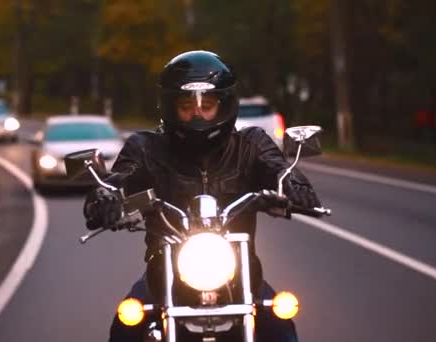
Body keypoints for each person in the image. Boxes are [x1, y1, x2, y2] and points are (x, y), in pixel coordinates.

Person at [83, 50, 322, 341]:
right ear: (170, 107)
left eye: (206, 105)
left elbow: (279, 168)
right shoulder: (145, 147)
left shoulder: (251, 144)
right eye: (187, 105)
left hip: (238, 271)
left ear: (224, 105)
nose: (197, 113)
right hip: (166, 272)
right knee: (124, 329)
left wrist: (295, 186)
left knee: (281, 329)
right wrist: (105, 196)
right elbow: (119, 177)